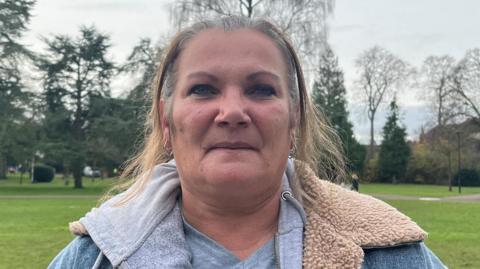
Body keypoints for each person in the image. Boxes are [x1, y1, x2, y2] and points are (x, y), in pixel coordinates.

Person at [48, 16, 446, 269]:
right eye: (203, 89)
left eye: (260, 89)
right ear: (166, 122)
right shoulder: (92, 258)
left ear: (294, 120)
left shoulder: (392, 255)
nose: (233, 111)